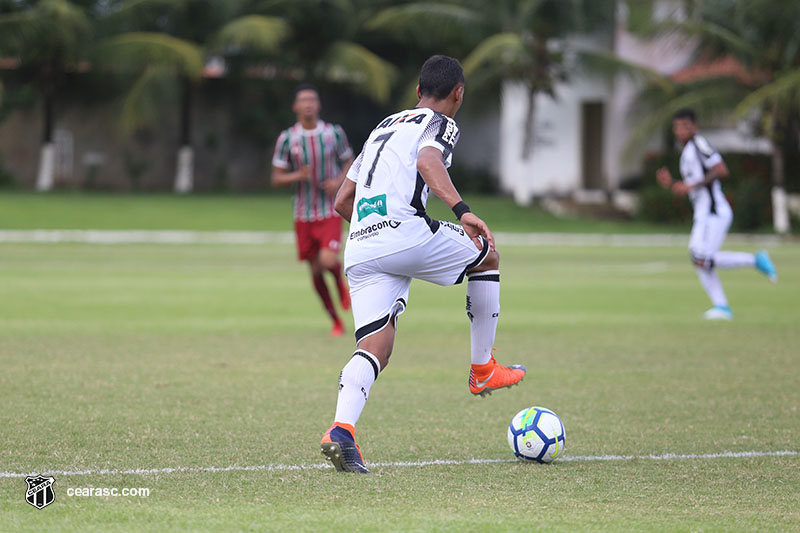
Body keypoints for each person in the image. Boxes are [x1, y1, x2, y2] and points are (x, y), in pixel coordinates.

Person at [319, 55, 526, 473]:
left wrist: (376, 235)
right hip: (403, 232)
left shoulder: (383, 127)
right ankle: (483, 368)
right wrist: (462, 209)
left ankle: (341, 430)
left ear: (417, 92)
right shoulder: (439, 123)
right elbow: (428, 163)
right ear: (459, 94)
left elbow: (342, 200)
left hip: (360, 245)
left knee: (375, 346)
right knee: (487, 254)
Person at [656, 108, 777, 320]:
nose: (680, 131)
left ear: (695, 126)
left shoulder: (699, 144)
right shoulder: (686, 153)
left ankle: (754, 261)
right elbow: (691, 187)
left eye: (685, 126)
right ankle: (721, 307)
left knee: (701, 258)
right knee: (699, 259)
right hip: (703, 213)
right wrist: (675, 184)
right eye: (677, 127)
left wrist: (692, 185)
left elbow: (721, 170)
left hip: (713, 212)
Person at [272, 84, 354, 336]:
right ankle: (335, 321)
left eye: (312, 100)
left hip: (329, 210)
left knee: (328, 260)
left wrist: (339, 181)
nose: (308, 104)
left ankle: (340, 284)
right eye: (303, 100)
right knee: (315, 270)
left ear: (318, 105)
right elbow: (276, 178)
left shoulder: (333, 134)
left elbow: (350, 162)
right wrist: (299, 175)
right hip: (303, 214)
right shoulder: (288, 138)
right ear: (295, 107)